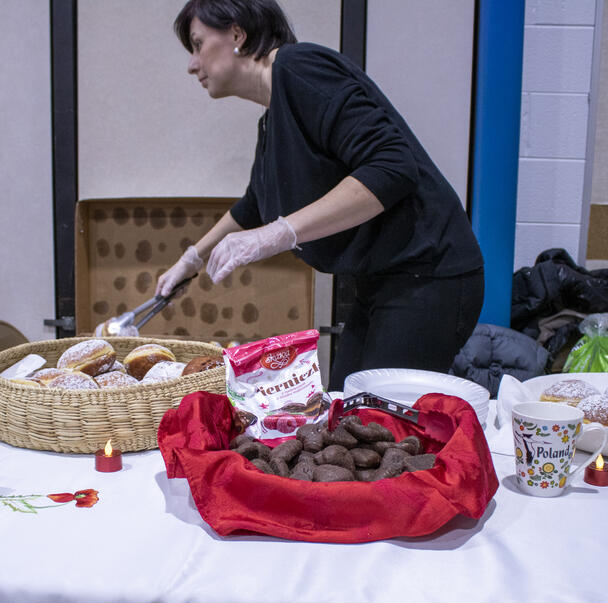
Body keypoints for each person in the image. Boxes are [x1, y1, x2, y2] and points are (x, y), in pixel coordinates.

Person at [159, 0, 484, 390]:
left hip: (430, 274)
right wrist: (191, 260)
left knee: (377, 417)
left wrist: (279, 233)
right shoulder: (274, 116)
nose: (192, 64)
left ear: (237, 34)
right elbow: (254, 205)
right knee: (344, 404)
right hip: (379, 281)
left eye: (197, 44)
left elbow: (392, 166)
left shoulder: (301, 68)